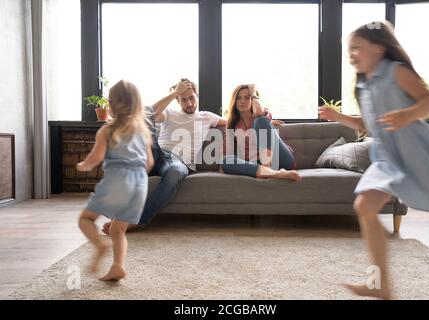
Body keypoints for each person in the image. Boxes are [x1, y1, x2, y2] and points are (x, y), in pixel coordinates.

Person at [319, 21, 429, 299]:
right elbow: (369, 123)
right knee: (365, 206)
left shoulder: (396, 72)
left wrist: (406, 115)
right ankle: (380, 283)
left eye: (356, 48)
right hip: (387, 157)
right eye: (349, 50)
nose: (351, 54)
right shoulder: (365, 84)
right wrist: (339, 117)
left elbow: (428, 102)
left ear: (378, 48)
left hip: (416, 151)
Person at [102, 78, 227, 234]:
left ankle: (135, 221)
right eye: (184, 99)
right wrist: (175, 92)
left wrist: (262, 116)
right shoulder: (170, 114)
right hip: (156, 153)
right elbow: (149, 113)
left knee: (175, 173)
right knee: (145, 113)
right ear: (178, 100)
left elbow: (234, 122)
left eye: (191, 98)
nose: (189, 103)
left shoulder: (207, 117)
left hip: (178, 162)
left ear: (197, 96)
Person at [77, 80, 154, 281]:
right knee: (118, 229)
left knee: (85, 219)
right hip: (140, 185)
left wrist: (83, 165)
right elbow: (150, 162)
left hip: (118, 181)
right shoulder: (143, 132)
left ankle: (100, 245)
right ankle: (118, 266)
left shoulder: (107, 130)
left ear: (112, 104)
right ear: (137, 105)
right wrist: (136, 177)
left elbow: (96, 157)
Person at [222, 84, 301, 181]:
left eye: (247, 98)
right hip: (256, 164)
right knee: (226, 161)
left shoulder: (261, 115)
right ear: (234, 101)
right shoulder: (231, 126)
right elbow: (226, 155)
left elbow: (259, 112)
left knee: (261, 120)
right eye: (238, 98)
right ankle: (274, 173)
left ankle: (266, 170)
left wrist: (254, 94)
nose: (242, 101)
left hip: (280, 158)